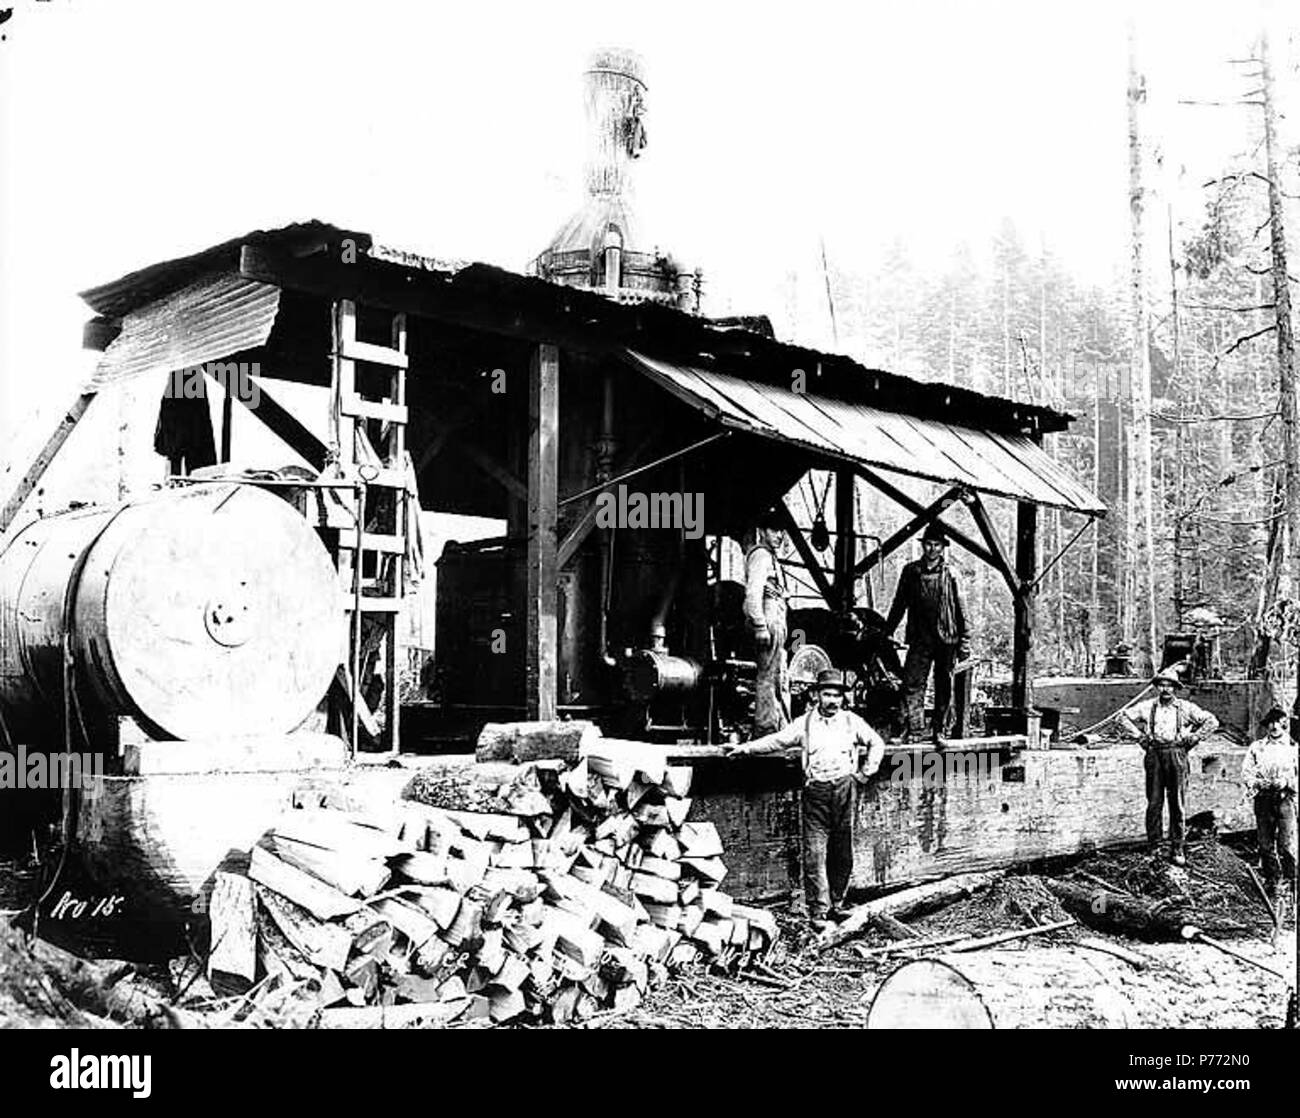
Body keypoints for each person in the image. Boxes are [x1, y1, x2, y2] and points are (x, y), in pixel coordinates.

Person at [723, 669, 886, 930]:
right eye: (827, 694)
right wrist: (745, 748)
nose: (833, 700)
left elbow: (876, 743)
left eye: (837, 695)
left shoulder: (851, 721)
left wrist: (864, 775)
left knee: (842, 850)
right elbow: (777, 741)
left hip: (845, 789)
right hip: (816, 792)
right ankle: (819, 912)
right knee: (814, 852)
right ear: (816, 695)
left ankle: (838, 904)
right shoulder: (805, 723)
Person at [1116, 668, 1220, 866]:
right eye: (1162, 685)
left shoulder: (1186, 708)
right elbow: (1121, 717)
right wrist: (1139, 737)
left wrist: (1195, 737)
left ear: (1175, 688)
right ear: (1157, 687)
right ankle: (1154, 846)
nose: (1165, 689)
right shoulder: (1147, 707)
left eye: (1169, 685)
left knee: (1177, 804)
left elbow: (1211, 721)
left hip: (1177, 755)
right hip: (1154, 754)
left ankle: (1177, 847)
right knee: (1154, 803)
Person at [885, 521, 969, 743]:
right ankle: (911, 730)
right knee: (912, 684)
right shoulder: (911, 571)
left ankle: (940, 731)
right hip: (920, 638)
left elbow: (962, 610)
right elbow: (899, 603)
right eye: (928, 545)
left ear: (943, 548)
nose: (932, 549)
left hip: (947, 639)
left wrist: (965, 641)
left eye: (936, 545)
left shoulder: (952, 574)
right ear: (923, 546)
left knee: (944, 686)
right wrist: (888, 630)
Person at [1241, 705, 1297, 926]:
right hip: (1263, 799)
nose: (1274, 726)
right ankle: (1272, 880)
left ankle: (1292, 882)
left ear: (1284, 723)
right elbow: (1246, 772)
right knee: (1265, 845)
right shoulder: (1257, 747)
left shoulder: (1292, 747)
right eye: (1269, 723)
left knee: (1285, 845)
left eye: (1278, 722)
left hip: (1285, 799)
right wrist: (1257, 782)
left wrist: (1286, 782)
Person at [743, 513, 790, 736]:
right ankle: (766, 728)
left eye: (782, 531)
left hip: (776, 617)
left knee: (777, 675)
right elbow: (753, 593)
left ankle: (778, 725)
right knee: (767, 677)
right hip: (769, 618)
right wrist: (760, 625)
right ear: (762, 531)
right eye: (774, 531)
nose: (780, 536)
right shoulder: (761, 556)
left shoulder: (770, 557)